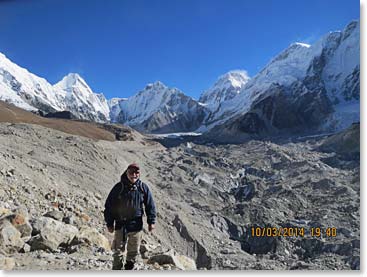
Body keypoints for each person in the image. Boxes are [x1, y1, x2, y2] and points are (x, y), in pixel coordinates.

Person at [104, 163, 156, 270]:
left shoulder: (142, 187)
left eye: (136, 172)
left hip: (136, 226)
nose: (134, 175)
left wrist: (151, 221)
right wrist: (110, 223)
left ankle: (129, 269)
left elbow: (150, 205)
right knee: (118, 251)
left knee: (133, 251)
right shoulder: (119, 187)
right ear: (127, 172)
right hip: (121, 225)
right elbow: (109, 206)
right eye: (131, 172)